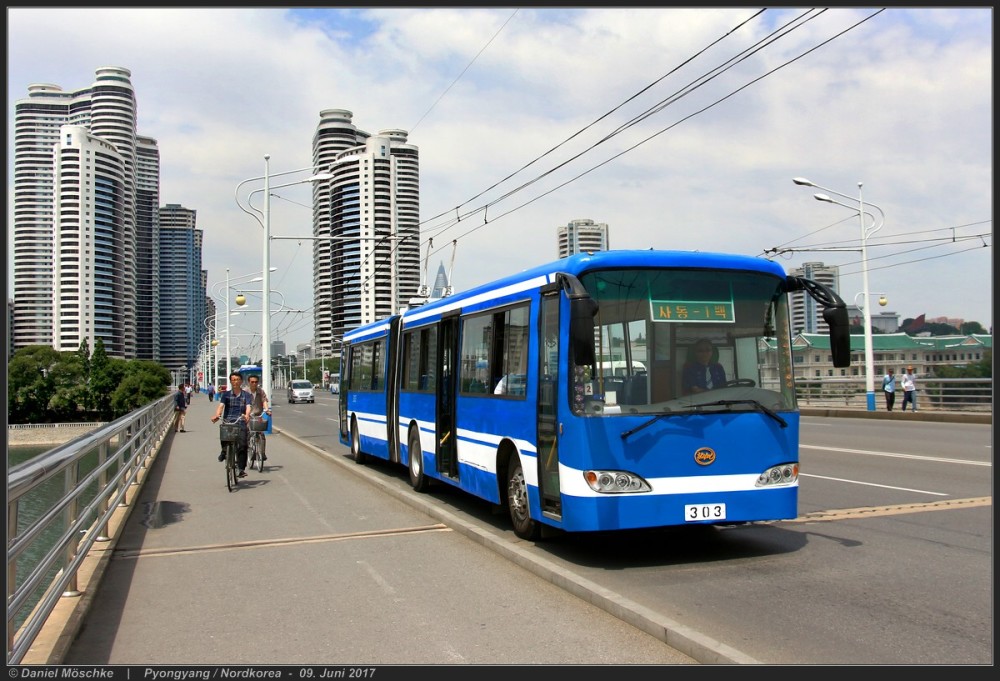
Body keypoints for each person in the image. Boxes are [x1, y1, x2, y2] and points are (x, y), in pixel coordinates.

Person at [211, 371, 252, 477]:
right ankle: (224, 451)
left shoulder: (246, 395)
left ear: (241, 381)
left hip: (240, 420)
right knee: (224, 435)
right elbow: (221, 406)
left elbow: (248, 407)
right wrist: (217, 415)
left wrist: (247, 415)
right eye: (233, 380)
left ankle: (241, 469)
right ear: (230, 381)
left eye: (237, 380)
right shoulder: (226, 395)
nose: (235, 382)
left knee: (243, 445)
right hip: (228, 420)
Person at [246, 375, 271, 461]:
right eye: (252, 382)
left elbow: (264, 401)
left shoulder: (260, 391)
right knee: (247, 433)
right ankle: (249, 450)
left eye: (256, 382)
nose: (254, 384)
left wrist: (267, 410)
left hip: (258, 415)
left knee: (261, 435)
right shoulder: (245, 392)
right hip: (247, 416)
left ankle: (262, 453)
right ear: (249, 382)